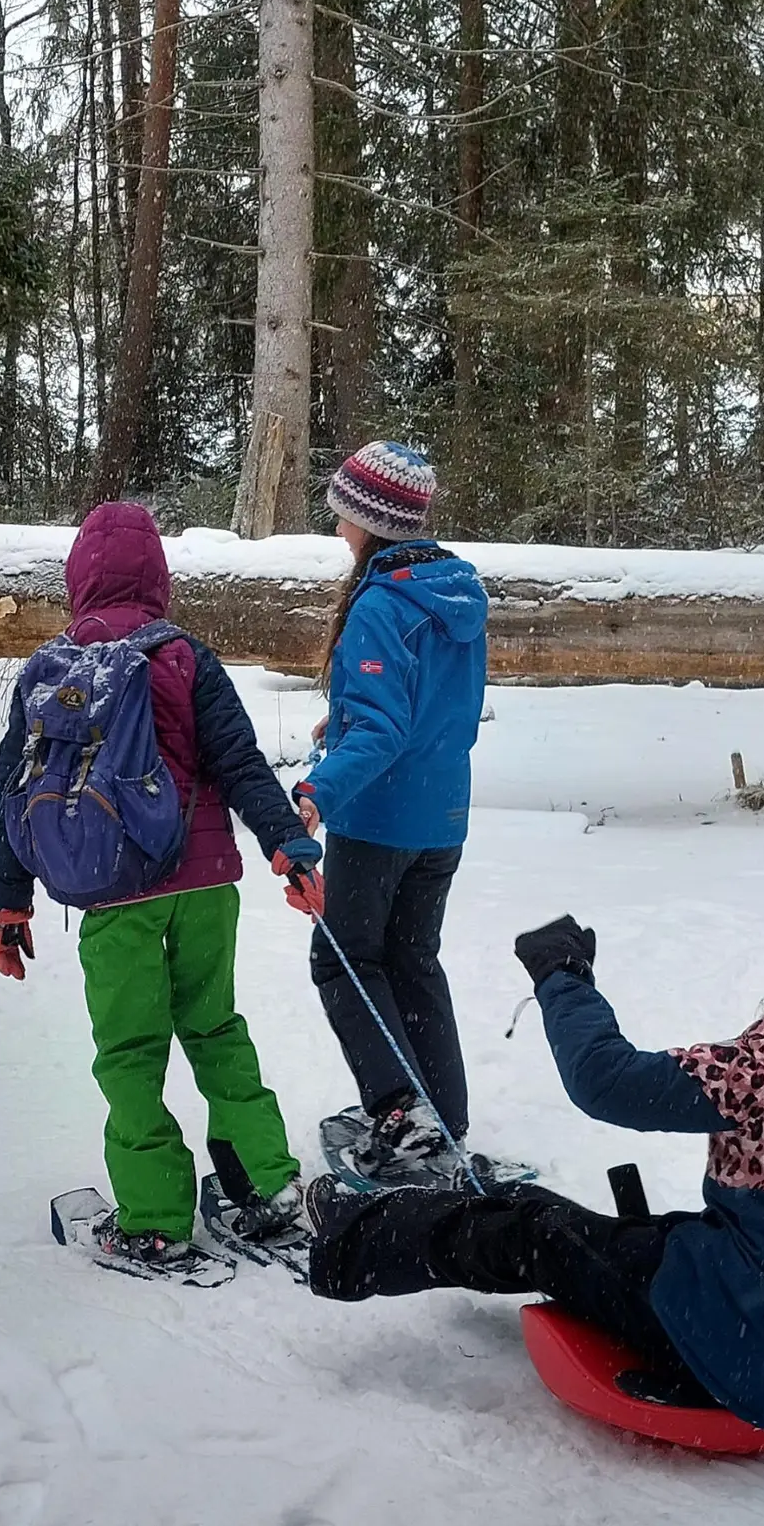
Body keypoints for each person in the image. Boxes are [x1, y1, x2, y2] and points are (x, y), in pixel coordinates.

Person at [306, 906, 764, 1435]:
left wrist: (560, 975)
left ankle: (349, 1242)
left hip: (739, 1342)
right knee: (634, 1238)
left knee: (530, 1228)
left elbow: (604, 1080)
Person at [0, 501, 323, 1278]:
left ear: (79, 578)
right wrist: (289, 846)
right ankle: (266, 1189)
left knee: (131, 1054)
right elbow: (240, 763)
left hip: (111, 894)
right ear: (159, 579)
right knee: (216, 1030)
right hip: (203, 886)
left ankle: (156, 1221)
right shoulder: (184, 657)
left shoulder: (50, 668)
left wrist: (9, 904)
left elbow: (14, 792)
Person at [294, 439, 489, 1181]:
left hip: (380, 819)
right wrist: (339, 721)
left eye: (343, 512)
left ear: (369, 519)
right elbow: (430, 702)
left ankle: (402, 1116)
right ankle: (445, 1114)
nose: (336, 525)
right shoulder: (456, 590)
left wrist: (317, 789)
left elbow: (384, 729)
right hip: (442, 815)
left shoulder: (380, 602)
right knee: (413, 958)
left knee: (341, 959)